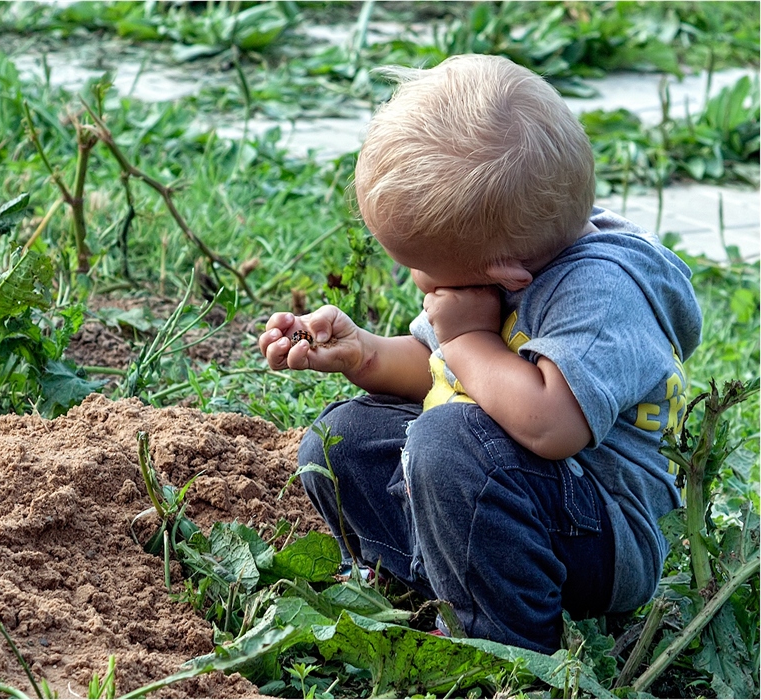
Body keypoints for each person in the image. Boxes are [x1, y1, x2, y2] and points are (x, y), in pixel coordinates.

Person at [257, 54, 702, 654]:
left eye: (418, 265)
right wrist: (363, 355)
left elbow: (549, 426)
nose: (414, 278)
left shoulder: (603, 294)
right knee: (340, 440)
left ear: (504, 272)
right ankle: (421, 582)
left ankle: (507, 647)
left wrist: (471, 339)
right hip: (507, 485)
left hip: (603, 530)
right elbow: (441, 371)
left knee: (447, 444)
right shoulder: (515, 252)